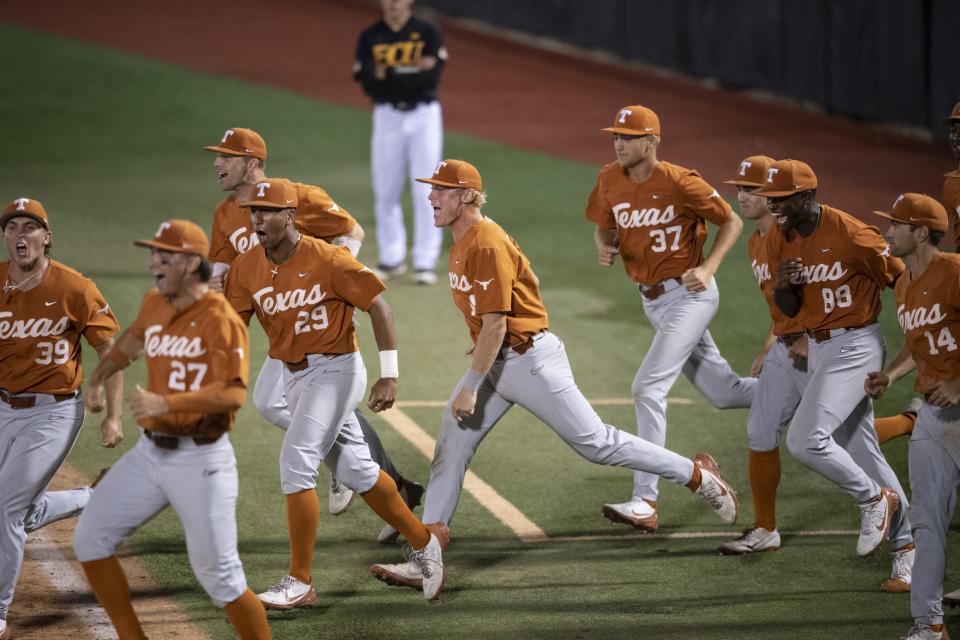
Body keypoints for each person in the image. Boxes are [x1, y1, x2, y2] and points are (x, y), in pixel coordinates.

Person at [370, 160, 739, 590]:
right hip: (500, 359)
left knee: (598, 444)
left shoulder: (484, 243)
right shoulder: (467, 239)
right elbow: (525, 284)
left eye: (441, 190)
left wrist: (474, 379)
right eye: (432, 189)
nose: (431, 197)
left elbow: (497, 323)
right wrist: (492, 335)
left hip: (530, 364)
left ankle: (697, 476)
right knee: (451, 447)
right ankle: (427, 550)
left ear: (467, 196)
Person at [224, 179, 447, 602]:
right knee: (358, 471)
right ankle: (424, 543)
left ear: (291, 216)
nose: (257, 219)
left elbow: (379, 305)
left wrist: (390, 374)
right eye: (253, 211)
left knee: (296, 460)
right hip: (294, 377)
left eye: (267, 211)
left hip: (337, 371)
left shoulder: (329, 258)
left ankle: (300, 581)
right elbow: (233, 328)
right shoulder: (246, 267)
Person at [204, 127, 424, 543]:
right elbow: (222, 266)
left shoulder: (297, 198)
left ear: (252, 162)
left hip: (319, 328)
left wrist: (330, 285)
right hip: (283, 325)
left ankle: (357, 475)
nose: (217, 163)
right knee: (275, 404)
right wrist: (214, 285)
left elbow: (351, 232)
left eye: (227, 157)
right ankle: (364, 472)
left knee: (289, 414)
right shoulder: (224, 213)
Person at [73, 219, 271, 640]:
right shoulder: (155, 302)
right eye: (152, 255)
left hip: (201, 459)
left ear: (188, 263)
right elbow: (130, 343)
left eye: (162, 256)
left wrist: (168, 403)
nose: (152, 264)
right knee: (91, 538)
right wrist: (97, 377)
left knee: (221, 578)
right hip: (150, 454)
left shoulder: (221, 318)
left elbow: (232, 393)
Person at [585, 105, 756, 531]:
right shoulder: (609, 178)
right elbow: (603, 225)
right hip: (653, 301)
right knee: (725, 391)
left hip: (691, 296)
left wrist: (709, 267)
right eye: (616, 136)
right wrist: (604, 245)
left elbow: (731, 221)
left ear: (652, 141)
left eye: (628, 136)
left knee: (647, 387)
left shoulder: (681, 181)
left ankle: (645, 500)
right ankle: (811, 392)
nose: (619, 143)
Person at [757, 159, 914, 571]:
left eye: (782, 199)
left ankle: (872, 498)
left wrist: (921, 338)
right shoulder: (780, 237)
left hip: (856, 346)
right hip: (820, 348)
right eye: (770, 199)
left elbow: (904, 281)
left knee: (804, 440)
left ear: (808, 195)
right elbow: (788, 307)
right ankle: (907, 548)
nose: (774, 207)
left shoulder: (852, 235)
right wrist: (786, 287)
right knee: (862, 449)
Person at [0, 197, 122, 640]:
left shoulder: (74, 286)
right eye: (12, 227)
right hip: (1, 406)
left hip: (52, 413)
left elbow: (110, 351)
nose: (20, 235)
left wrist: (112, 415)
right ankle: (94, 499)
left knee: (6, 510)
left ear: (46, 238)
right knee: (15, 511)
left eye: (30, 227)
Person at [864, 193, 958, 640]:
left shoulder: (955, 272)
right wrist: (892, 374)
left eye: (896, 225)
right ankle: (929, 625)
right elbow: (919, 341)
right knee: (927, 520)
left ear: (921, 233)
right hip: (935, 419)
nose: (887, 232)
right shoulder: (903, 284)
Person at [716, 155, 807, 555]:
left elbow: (817, 296)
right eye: (739, 188)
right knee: (761, 430)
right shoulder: (756, 241)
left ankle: (892, 514)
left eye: (750, 190)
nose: (741, 196)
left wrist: (806, 336)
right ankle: (766, 528)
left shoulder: (792, 238)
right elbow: (781, 304)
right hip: (787, 347)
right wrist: (771, 344)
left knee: (841, 440)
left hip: (821, 345)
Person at [353, 0, 447, 285]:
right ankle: (392, 258)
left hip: (424, 115)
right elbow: (367, 81)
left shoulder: (428, 32)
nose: (393, 4)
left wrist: (388, 74)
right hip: (387, 116)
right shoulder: (371, 36)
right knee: (385, 188)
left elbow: (432, 76)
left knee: (427, 188)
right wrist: (410, 71)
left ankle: (424, 261)